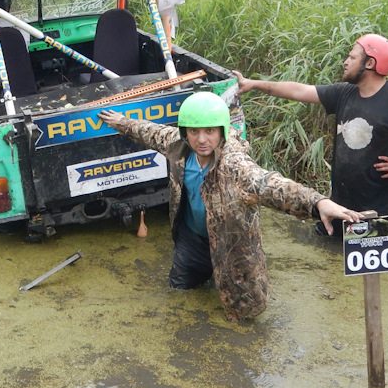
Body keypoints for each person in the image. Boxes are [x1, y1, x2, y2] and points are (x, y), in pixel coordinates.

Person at [99, 92, 361, 321]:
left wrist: (318, 202)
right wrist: (121, 123)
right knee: (180, 291)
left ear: (222, 131)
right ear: (185, 132)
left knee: (245, 312)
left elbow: (271, 185)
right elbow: (151, 132)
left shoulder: (235, 166)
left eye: (210, 131)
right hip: (191, 239)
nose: (202, 139)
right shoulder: (179, 147)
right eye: (194, 132)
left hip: (232, 247)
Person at [233, 33, 388, 236]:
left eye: (351, 57)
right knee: (334, 249)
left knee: (374, 260)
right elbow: (299, 90)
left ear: (370, 63)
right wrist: (254, 84)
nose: (345, 61)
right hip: (342, 202)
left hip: (381, 204)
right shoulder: (344, 93)